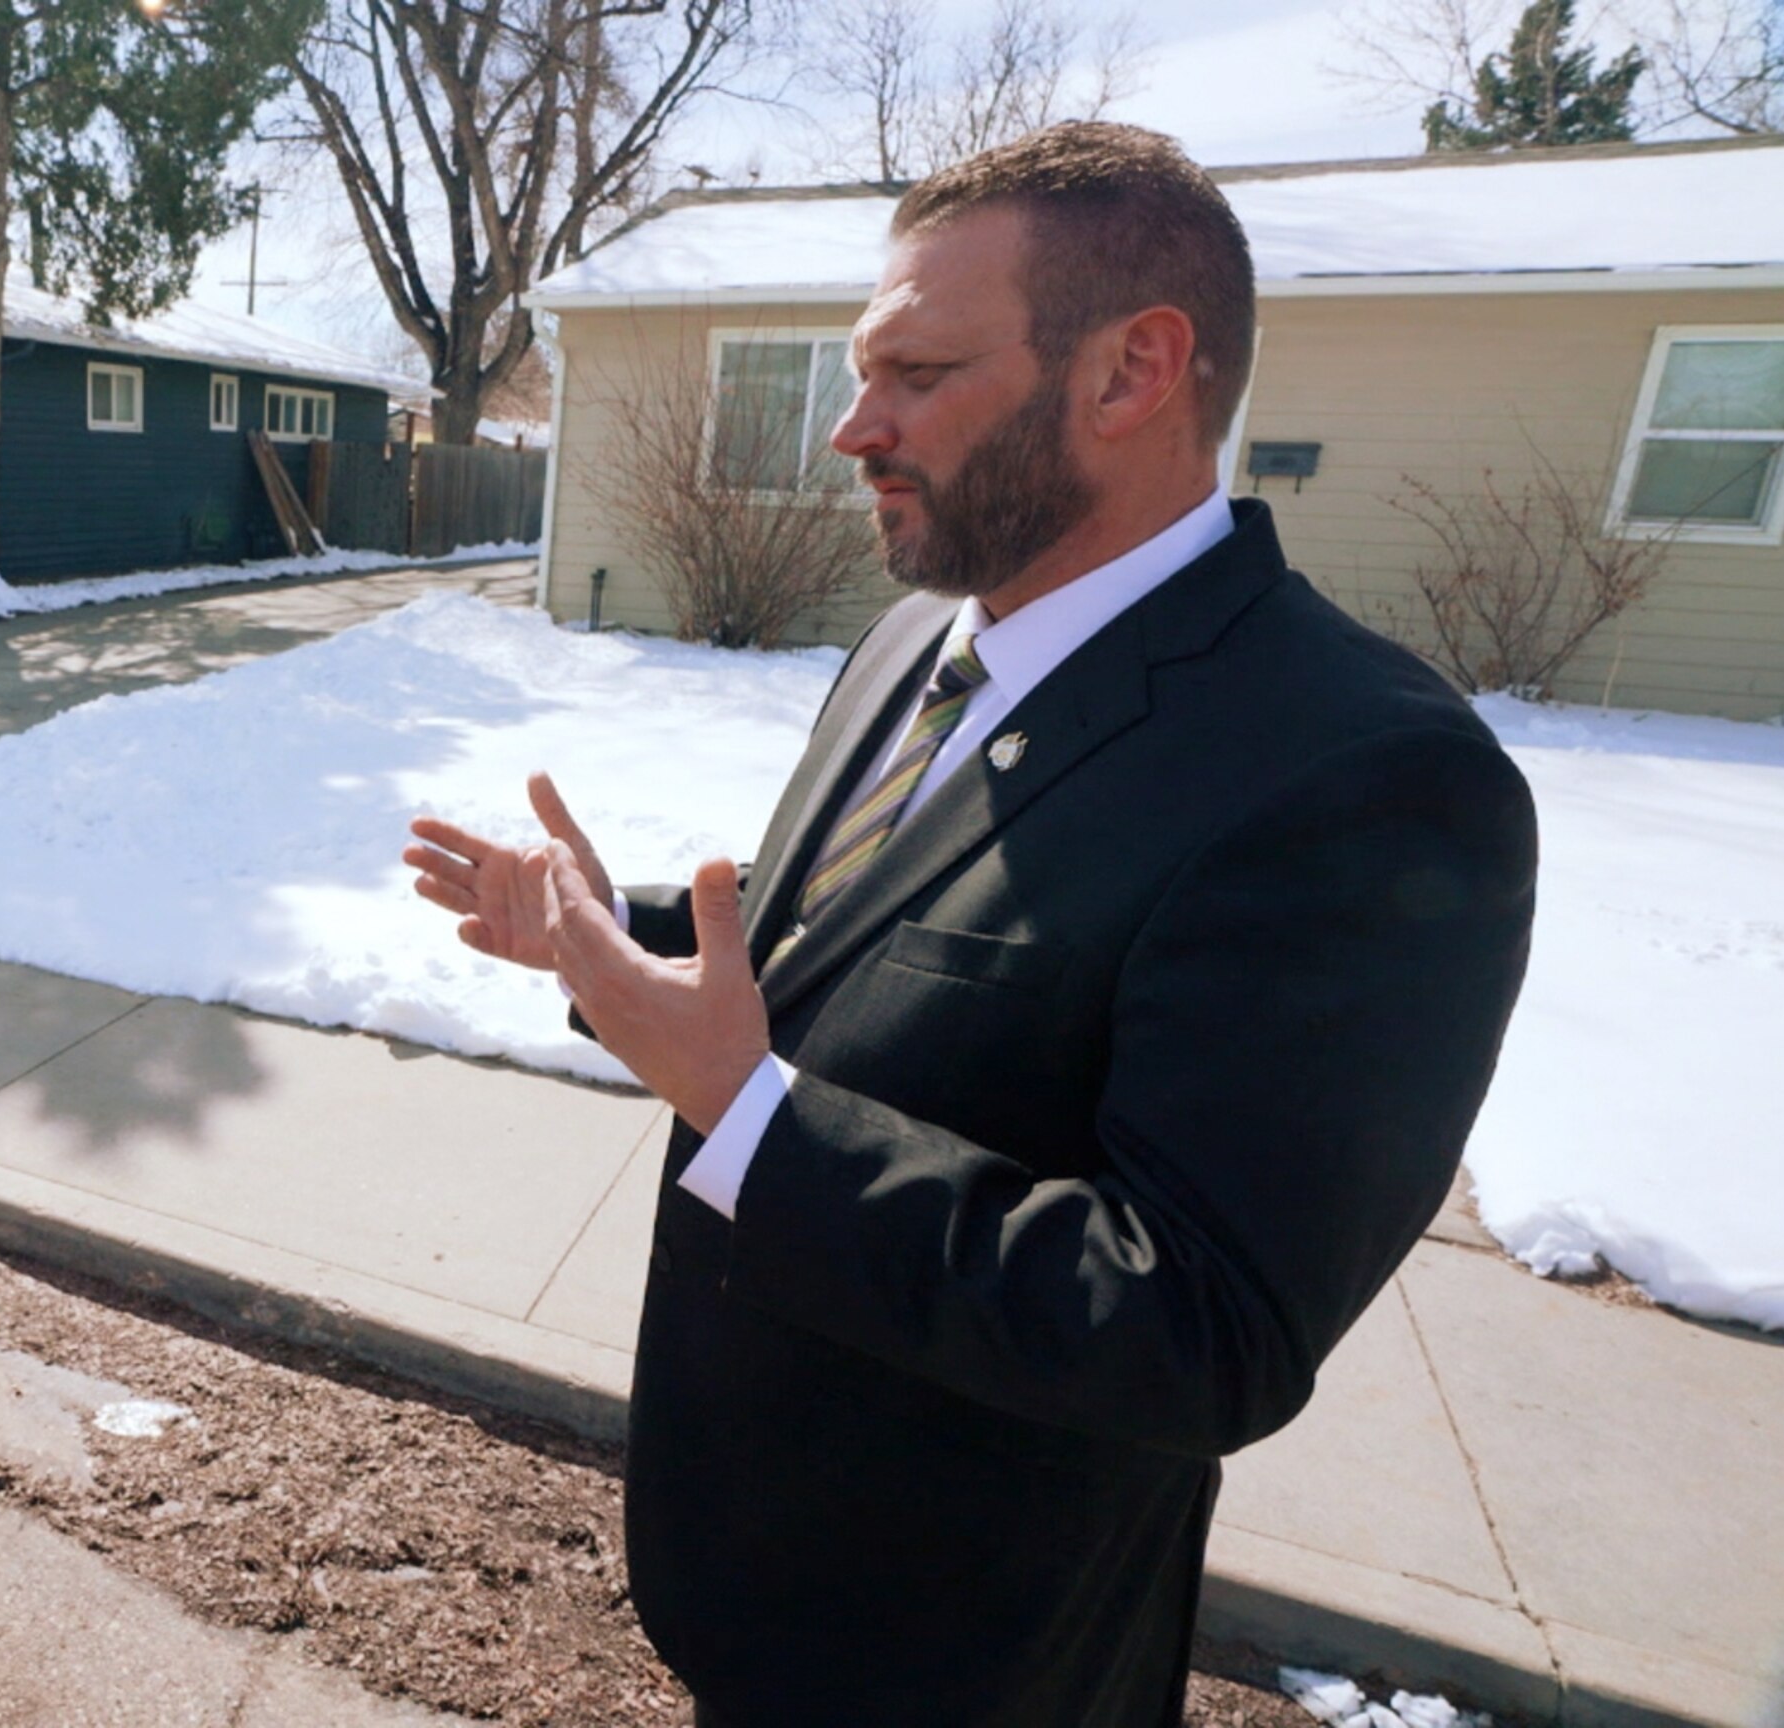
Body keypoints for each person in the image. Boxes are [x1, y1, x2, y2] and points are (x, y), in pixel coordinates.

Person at [406, 123, 1537, 1727]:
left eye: (918, 373)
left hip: (972, 1661)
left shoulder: (1364, 776)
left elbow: (1199, 1325)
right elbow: (859, 953)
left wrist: (749, 1114)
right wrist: (608, 936)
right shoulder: (915, 637)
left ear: (1136, 370)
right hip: (756, 1581)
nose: (853, 430)